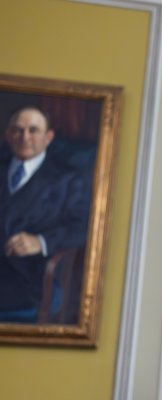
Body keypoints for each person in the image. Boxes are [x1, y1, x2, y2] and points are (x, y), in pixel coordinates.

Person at [0, 105, 91, 323]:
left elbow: (84, 226)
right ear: (8, 135)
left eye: (33, 130)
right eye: (18, 130)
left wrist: (41, 242)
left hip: (29, 277)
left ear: (48, 137)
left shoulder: (67, 179)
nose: (25, 137)